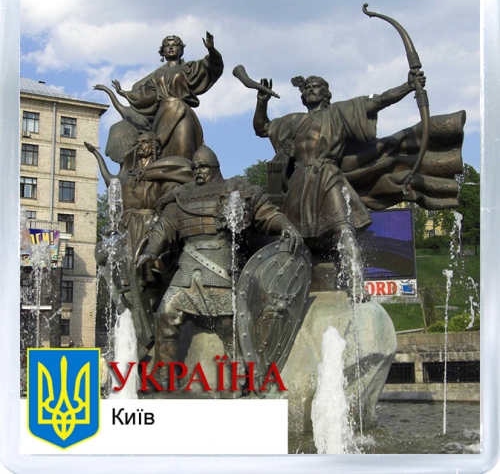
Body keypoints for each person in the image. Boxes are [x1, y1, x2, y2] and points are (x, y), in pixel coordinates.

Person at [135, 145, 302, 388]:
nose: (198, 171)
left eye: (203, 167)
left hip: (221, 264)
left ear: (214, 168)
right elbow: (164, 228)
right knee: (164, 315)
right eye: (195, 167)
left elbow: (266, 213)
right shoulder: (180, 196)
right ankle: (164, 375)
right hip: (187, 269)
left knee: (229, 324)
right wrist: (151, 251)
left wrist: (284, 224)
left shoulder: (235, 189)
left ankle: (239, 378)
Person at [253, 72, 431, 297]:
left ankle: (356, 282)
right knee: (292, 236)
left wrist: (408, 86)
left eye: (316, 86)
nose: (310, 89)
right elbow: (262, 128)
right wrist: (262, 101)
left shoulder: (338, 113)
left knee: (344, 228)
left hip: (328, 175)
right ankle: (283, 288)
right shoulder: (292, 121)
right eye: (307, 87)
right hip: (299, 184)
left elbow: (379, 100)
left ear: (325, 93)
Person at [110, 33, 223, 161]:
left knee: (184, 152)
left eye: (174, 45)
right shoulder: (156, 76)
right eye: (167, 46)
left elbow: (212, 66)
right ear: (162, 52)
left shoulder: (189, 68)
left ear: (181, 50)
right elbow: (148, 96)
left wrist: (211, 49)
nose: (170, 47)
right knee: (161, 156)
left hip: (182, 113)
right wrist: (124, 93)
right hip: (162, 117)